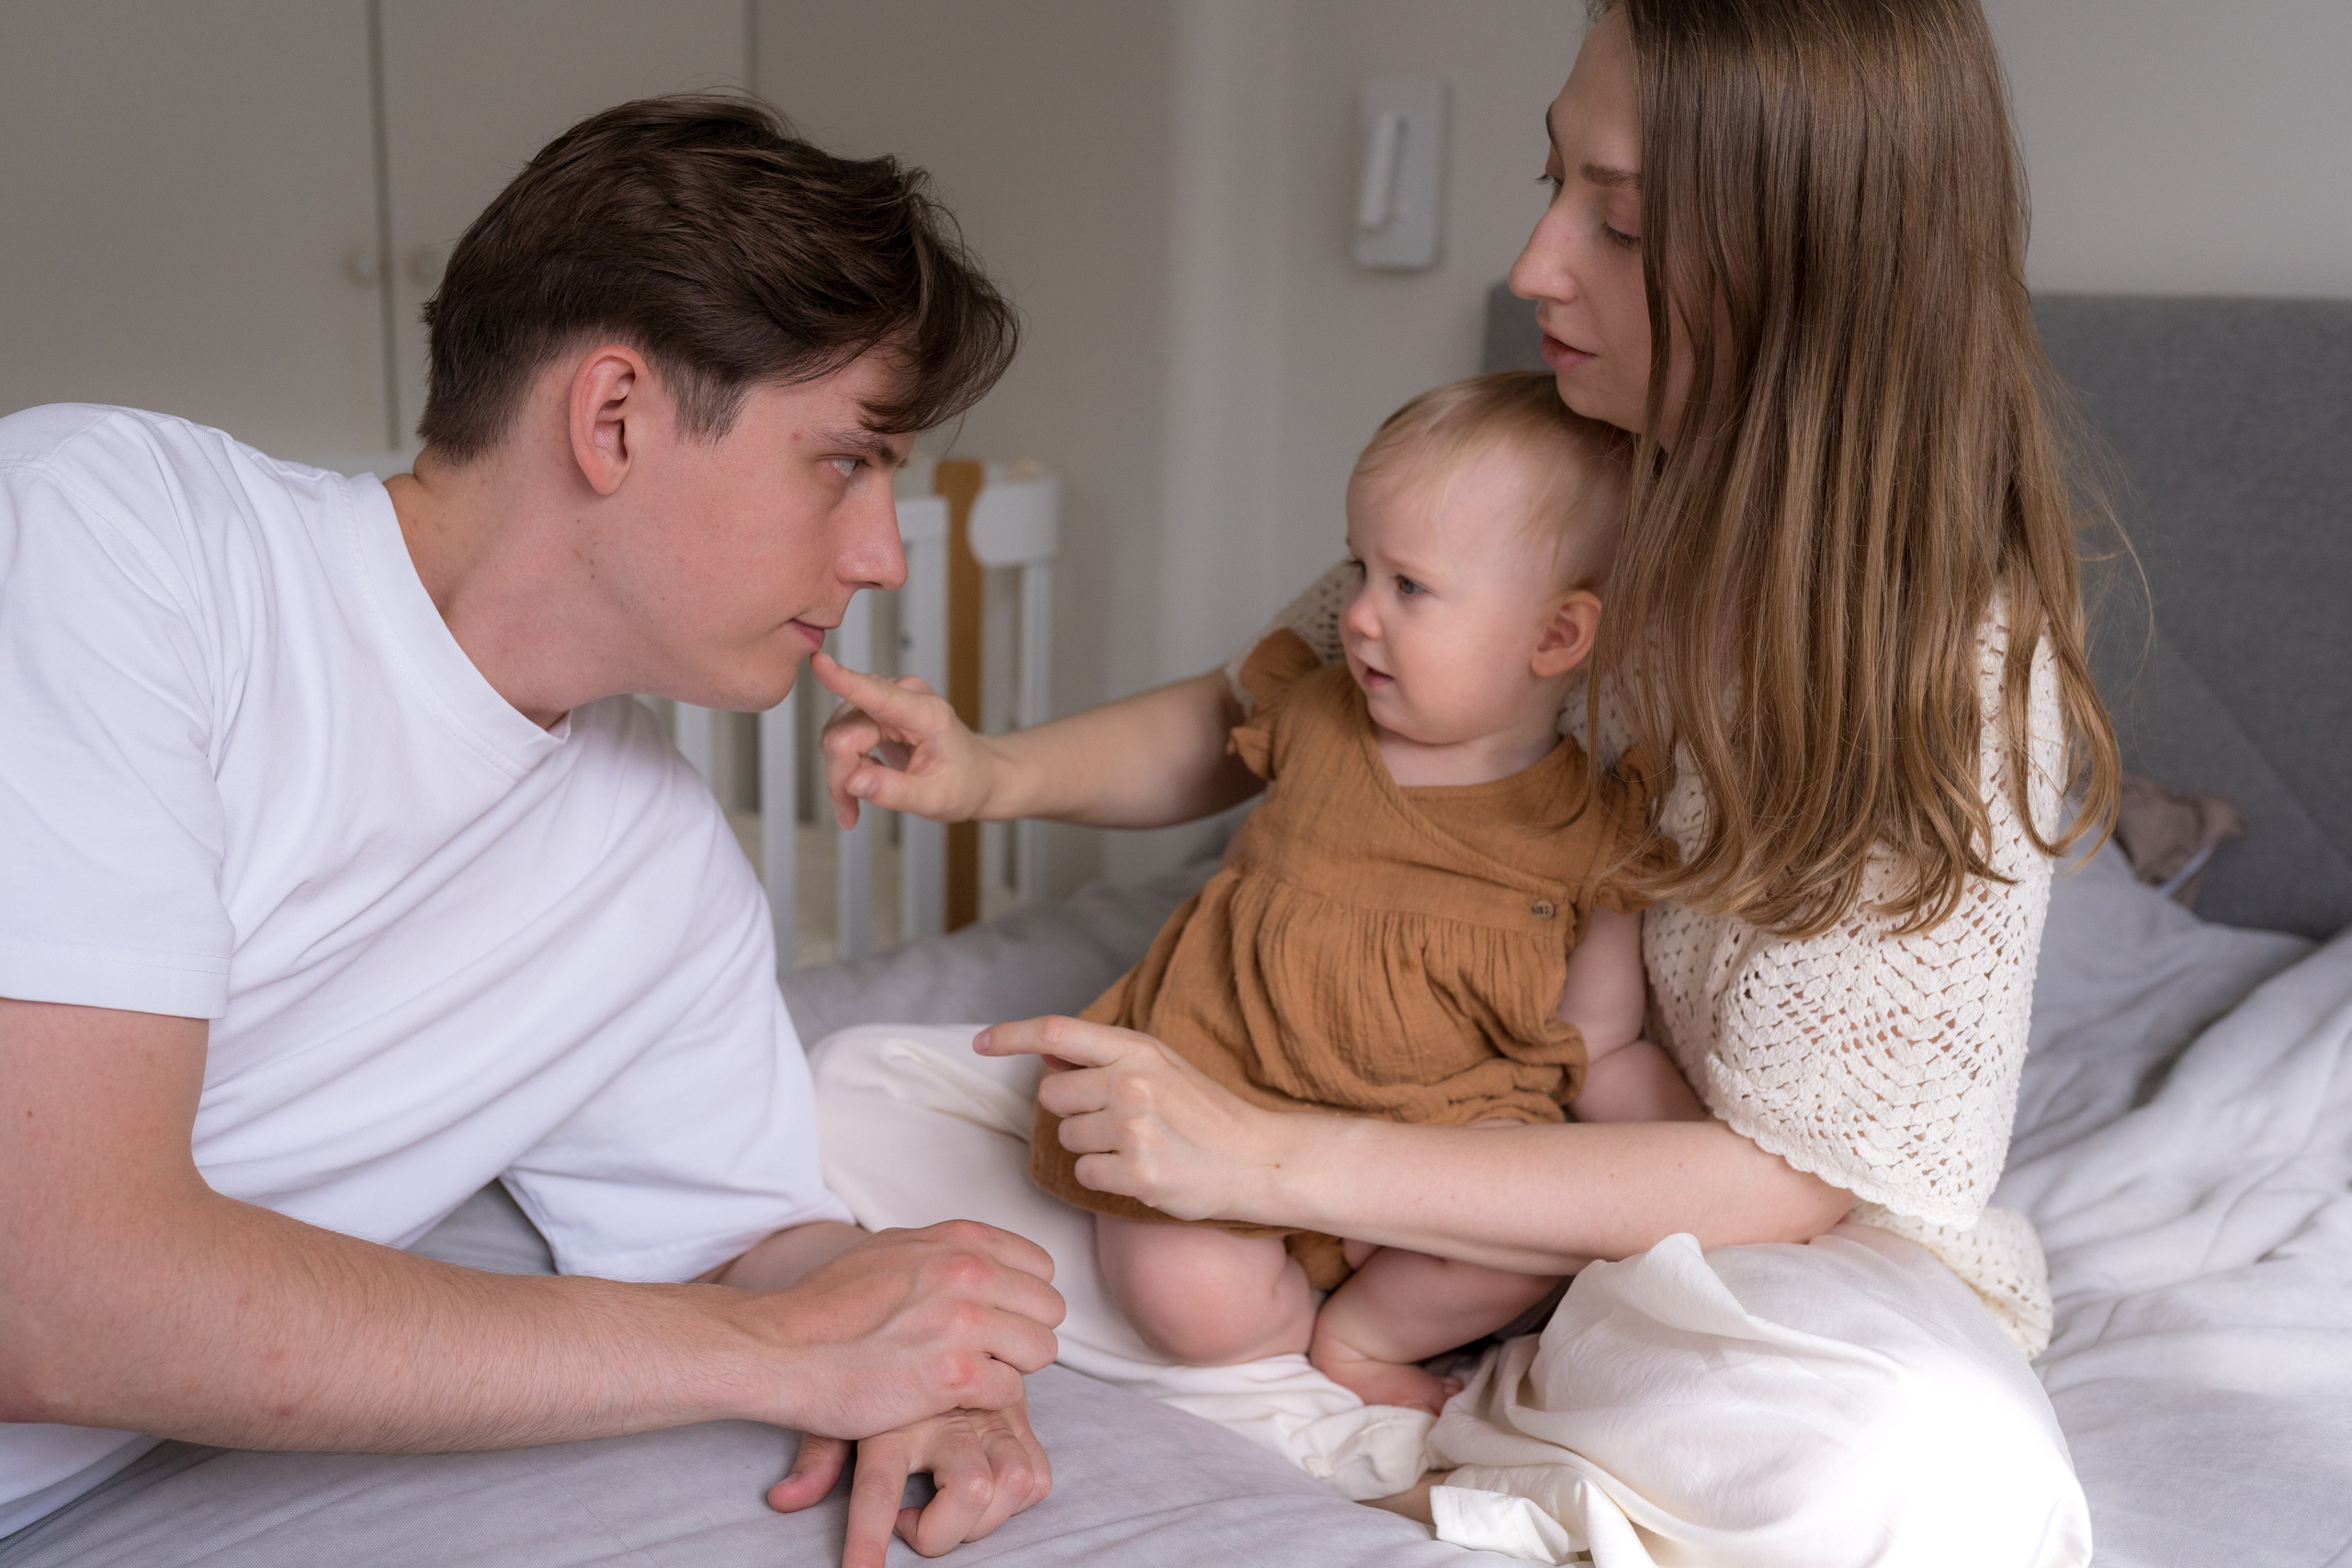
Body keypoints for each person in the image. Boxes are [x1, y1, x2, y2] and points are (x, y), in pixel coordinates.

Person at [814, 1, 2112, 1559]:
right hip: (1350, 1084)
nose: (1534, 266)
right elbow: (1259, 704)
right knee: (838, 1102)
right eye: (1551, 182)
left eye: (1617, 221)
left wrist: (1269, 1156)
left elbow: (1792, 1186)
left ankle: (1400, 1384)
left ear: (1807, 270)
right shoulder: (1560, 468)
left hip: (1674, 1217)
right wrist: (987, 775)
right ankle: (1359, 1376)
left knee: (1931, 1464)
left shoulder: (1956, 667)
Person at [0, 97, 1066, 1568]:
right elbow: (55, 1293)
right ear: (614, 413)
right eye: (846, 459)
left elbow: (746, 1237)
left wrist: (927, 1357)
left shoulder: (659, 859)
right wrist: (763, 1352)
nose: (880, 554)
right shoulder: (113, 537)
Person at [822, 373, 1703, 1416]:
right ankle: (1273, 1344)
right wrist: (990, 773)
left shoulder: (1589, 832)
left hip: (1439, 1142)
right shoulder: (1315, 713)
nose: (1361, 615)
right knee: (1183, 1302)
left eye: (1409, 587)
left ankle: (1363, 1340)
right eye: (1356, 567)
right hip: (1221, 1088)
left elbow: (1597, 1045)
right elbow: (1197, 736)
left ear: (1556, 637)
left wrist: (1680, 1169)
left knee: (1531, 1247)